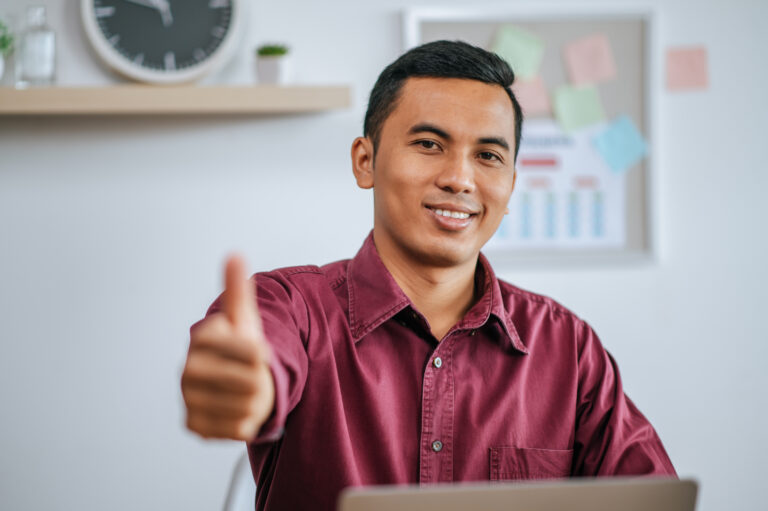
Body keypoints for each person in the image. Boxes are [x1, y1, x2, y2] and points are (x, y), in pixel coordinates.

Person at [181, 40, 676, 511]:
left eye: (488, 156)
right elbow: (256, 356)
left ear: (510, 185)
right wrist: (247, 387)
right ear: (365, 160)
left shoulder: (567, 347)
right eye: (429, 143)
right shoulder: (289, 307)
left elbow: (651, 495)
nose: (459, 178)